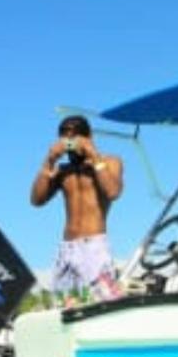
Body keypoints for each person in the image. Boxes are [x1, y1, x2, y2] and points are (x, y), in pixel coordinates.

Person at [30, 115, 125, 305]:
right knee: (63, 306)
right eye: (65, 139)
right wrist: (49, 160)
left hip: (94, 246)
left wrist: (93, 154)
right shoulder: (63, 171)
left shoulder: (110, 161)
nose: (70, 144)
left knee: (102, 303)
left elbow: (113, 192)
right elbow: (36, 200)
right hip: (67, 248)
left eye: (74, 137)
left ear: (88, 136)